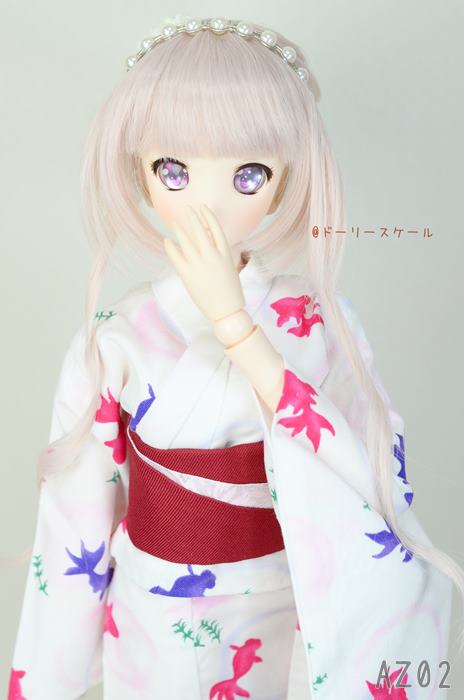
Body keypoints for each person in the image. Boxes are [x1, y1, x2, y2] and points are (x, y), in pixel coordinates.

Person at [7, 15, 463, 700]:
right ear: (140, 175)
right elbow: (76, 511)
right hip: (153, 609)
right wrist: (47, 679)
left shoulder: (319, 322)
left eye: (249, 174)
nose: (210, 201)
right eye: (174, 170)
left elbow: (370, 468)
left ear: (284, 182)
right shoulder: (117, 334)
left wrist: (236, 326)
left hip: (285, 596)